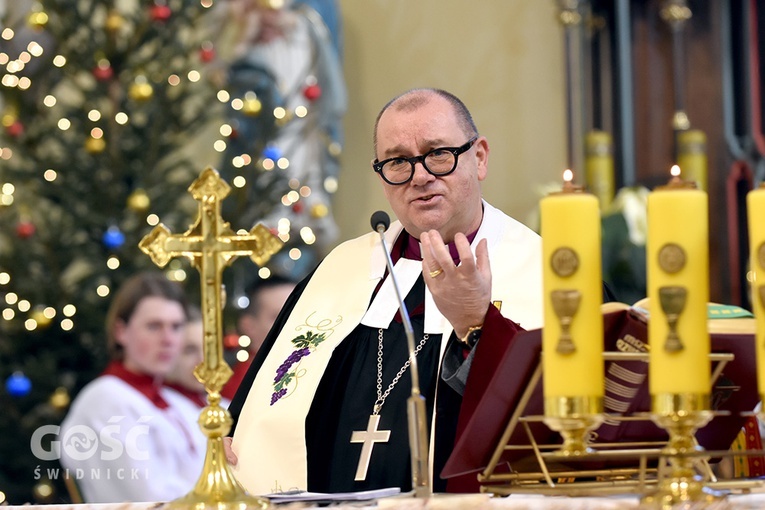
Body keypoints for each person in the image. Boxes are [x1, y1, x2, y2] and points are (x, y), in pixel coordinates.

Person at [225, 88, 545, 495]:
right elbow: (258, 405)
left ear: (479, 157)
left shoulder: (544, 276)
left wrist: (476, 324)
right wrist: (236, 436)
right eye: (397, 162)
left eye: (439, 153)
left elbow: (555, 423)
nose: (420, 176)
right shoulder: (339, 272)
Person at [58, 272, 206, 503]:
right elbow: (148, 495)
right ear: (121, 331)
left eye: (176, 327)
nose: (168, 339)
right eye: (154, 326)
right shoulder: (105, 400)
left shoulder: (173, 400)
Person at [221, 274, 297, 400]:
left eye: (298, 313)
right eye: (280, 317)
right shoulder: (240, 388)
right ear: (249, 326)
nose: (293, 324)